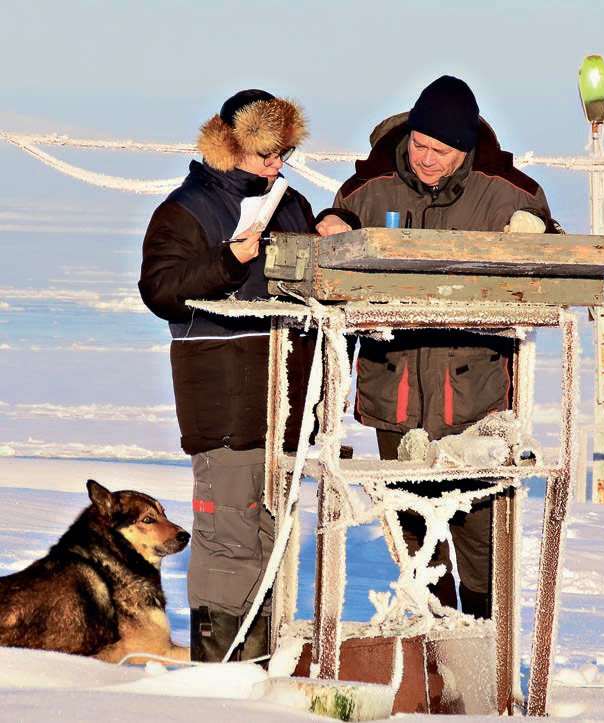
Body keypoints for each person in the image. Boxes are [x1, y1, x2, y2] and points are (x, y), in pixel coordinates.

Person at [316, 75, 561, 619]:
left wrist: (538, 234)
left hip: (475, 396)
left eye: (441, 152)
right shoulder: (367, 189)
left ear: (465, 150)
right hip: (393, 389)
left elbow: (551, 258)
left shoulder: (511, 193)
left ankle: (484, 642)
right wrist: (330, 224)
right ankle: (430, 640)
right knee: (410, 534)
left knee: (481, 535)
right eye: (420, 145)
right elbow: (335, 254)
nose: (426, 159)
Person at [139, 89, 316, 661]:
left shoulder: (291, 204)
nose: (277, 165)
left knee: (271, 542)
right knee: (226, 543)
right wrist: (227, 261)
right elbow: (160, 290)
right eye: (268, 154)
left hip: (285, 407)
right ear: (230, 145)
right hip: (222, 406)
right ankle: (218, 676)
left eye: (284, 153)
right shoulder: (185, 209)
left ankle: (257, 674)